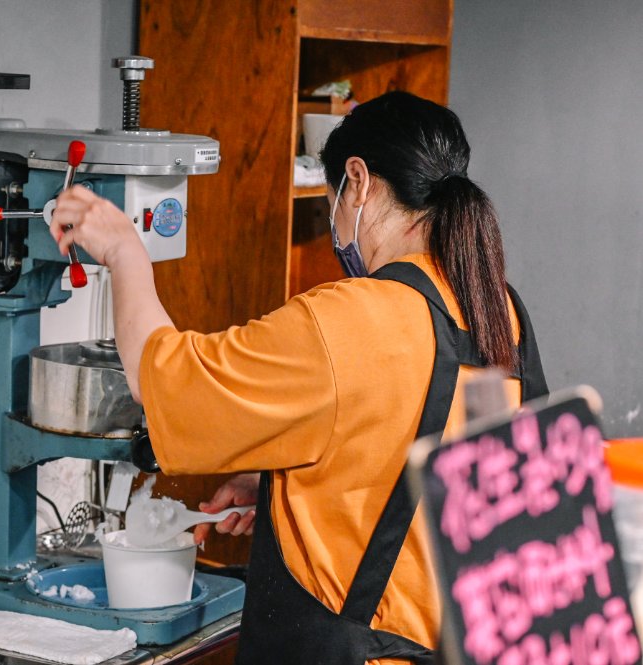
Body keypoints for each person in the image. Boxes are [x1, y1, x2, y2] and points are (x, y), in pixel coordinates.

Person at [51, 91, 547, 664]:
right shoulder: (499, 309)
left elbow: (161, 378)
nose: (336, 223)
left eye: (333, 201)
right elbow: (461, 473)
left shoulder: (347, 319)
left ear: (358, 181)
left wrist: (123, 252)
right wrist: (297, 491)